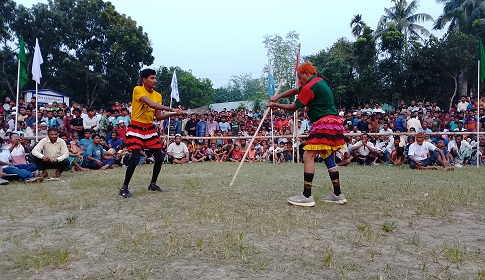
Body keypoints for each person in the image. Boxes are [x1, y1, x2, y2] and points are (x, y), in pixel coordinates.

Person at [267, 62, 347, 206]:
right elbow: (296, 90)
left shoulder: (309, 87)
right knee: (328, 157)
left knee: (307, 156)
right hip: (334, 123)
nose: (299, 80)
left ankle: (307, 196)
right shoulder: (318, 82)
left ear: (307, 74)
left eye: (300, 77)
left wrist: (275, 104)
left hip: (323, 123)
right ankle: (338, 194)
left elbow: (293, 107)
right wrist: (277, 96)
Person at [119, 68, 182, 198]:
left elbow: (158, 116)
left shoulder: (158, 95)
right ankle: (124, 187)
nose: (155, 80)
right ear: (144, 79)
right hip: (136, 127)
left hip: (149, 128)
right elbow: (150, 104)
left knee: (159, 158)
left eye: (155, 78)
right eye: (152, 78)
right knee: (135, 157)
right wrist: (171, 108)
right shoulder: (138, 90)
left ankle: (153, 184)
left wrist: (174, 113)